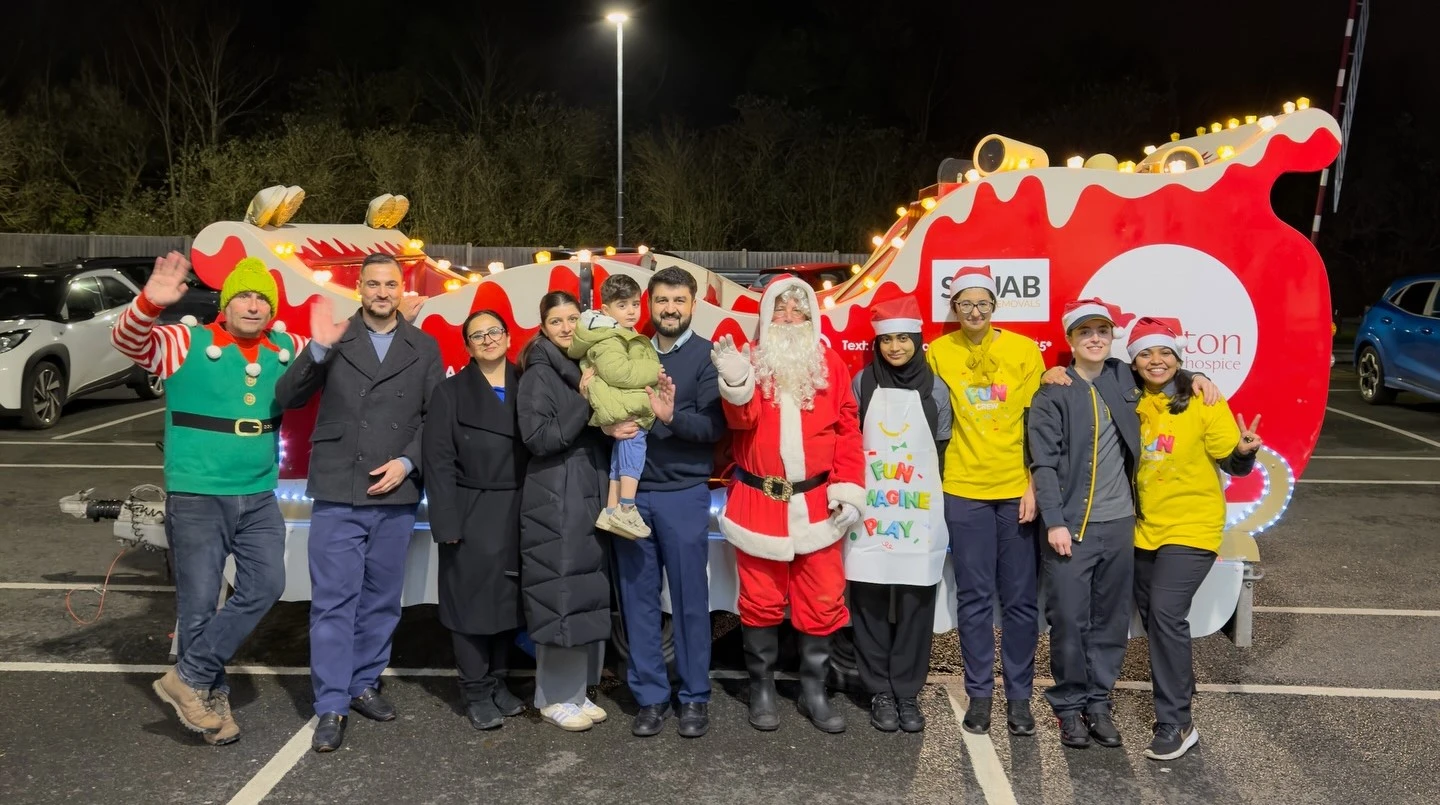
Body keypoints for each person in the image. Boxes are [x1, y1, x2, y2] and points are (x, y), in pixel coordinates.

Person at [112, 253, 302, 746]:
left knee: (267, 585)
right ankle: (208, 698)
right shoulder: (184, 341)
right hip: (197, 494)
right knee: (197, 607)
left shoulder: (286, 348)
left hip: (258, 495)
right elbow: (129, 342)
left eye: (263, 298)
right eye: (243, 295)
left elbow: (342, 352)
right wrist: (151, 301)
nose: (253, 305)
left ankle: (187, 676)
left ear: (273, 309)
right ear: (226, 301)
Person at [275, 252, 444, 753]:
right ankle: (330, 702)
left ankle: (363, 681)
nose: (382, 292)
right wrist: (317, 351)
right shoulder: (335, 338)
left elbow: (434, 419)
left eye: (390, 284)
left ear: (400, 289)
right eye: (373, 284)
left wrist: (408, 463)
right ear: (360, 289)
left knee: (381, 600)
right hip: (338, 487)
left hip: (396, 490)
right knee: (333, 602)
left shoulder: (424, 346)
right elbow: (288, 396)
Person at [710, 276, 865, 734]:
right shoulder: (751, 362)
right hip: (759, 501)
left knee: (821, 599)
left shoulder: (830, 366)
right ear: (766, 316)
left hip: (818, 503)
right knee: (759, 601)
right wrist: (737, 380)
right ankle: (761, 688)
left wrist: (849, 487)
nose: (790, 317)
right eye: (781, 309)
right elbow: (741, 421)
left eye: (799, 309)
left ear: (812, 316)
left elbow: (847, 431)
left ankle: (812, 690)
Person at [1126, 316, 1261, 761]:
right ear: (1134, 361)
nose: (1155, 360)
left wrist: (1244, 451)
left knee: (1165, 613)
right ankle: (1180, 689)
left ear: (1179, 357)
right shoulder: (1127, 398)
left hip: (1193, 525)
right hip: (1143, 528)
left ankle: (1176, 722)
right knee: (1153, 617)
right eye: (1145, 353)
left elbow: (1232, 462)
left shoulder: (1203, 399)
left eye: (1164, 352)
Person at [926, 265, 1042, 737]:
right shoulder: (938, 352)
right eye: (965, 304)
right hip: (963, 489)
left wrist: (1035, 485)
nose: (974, 312)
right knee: (973, 598)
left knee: (1019, 600)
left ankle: (1019, 698)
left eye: (983, 303)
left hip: (1016, 491)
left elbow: (1038, 424)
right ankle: (979, 695)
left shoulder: (1021, 351)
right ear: (953, 308)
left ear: (995, 306)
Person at [610, 267, 726, 739]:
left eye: (679, 300)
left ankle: (694, 697)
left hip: (683, 494)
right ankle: (651, 698)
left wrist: (670, 415)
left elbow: (713, 430)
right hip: (631, 498)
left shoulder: (705, 357)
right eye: (662, 301)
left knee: (690, 603)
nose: (670, 309)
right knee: (638, 603)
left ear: (693, 304)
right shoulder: (629, 353)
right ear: (649, 306)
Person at [1026, 298, 1141, 750]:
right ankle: (1069, 707)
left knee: (1110, 621)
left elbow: (1168, 376)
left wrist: (1198, 377)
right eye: (1085, 332)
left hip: (1120, 525)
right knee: (1070, 621)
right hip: (1071, 526)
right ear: (1070, 340)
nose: (1095, 339)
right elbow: (1044, 464)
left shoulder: (1123, 377)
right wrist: (1054, 521)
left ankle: (1098, 703)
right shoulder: (1053, 390)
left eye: (1103, 332)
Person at [845, 297, 952, 734]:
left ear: (918, 341)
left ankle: (907, 692)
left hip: (917, 508)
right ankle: (879, 692)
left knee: (915, 601)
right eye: (886, 339)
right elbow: (849, 436)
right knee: (867, 599)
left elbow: (942, 442)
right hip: (871, 510)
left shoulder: (936, 388)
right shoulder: (861, 382)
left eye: (903, 338)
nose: (894, 347)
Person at [422, 310, 529, 730]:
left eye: (494, 332)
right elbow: (438, 461)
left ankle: (498, 683)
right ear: (467, 346)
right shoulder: (450, 392)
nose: (487, 340)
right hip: (470, 508)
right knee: (470, 607)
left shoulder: (530, 383)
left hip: (519, 508)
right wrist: (446, 523)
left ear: (508, 337)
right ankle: (475, 690)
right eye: (477, 336)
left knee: (507, 605)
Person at [516, 291, 613, 732]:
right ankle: (553, 697)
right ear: (542, 326)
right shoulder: (539, 371)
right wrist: (585, 400)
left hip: (582, 489)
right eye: (556, 321)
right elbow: (537, 438)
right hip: (554, 495)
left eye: (573, 318)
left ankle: (577, 692)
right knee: (559, 593)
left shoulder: (581, 366)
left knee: (582, 592)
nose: (566, 327)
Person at [567, 274, 661, 541]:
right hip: (620, 402)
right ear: (606, 310)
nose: (631, 311)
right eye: (623, 305)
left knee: (622, 453)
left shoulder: (613, 333)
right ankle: (627, 506)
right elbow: (618, 373)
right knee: (635, 443)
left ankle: (611, 508)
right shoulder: (609, 338)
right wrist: (655, 369)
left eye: (634, 304)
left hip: (615, 399)